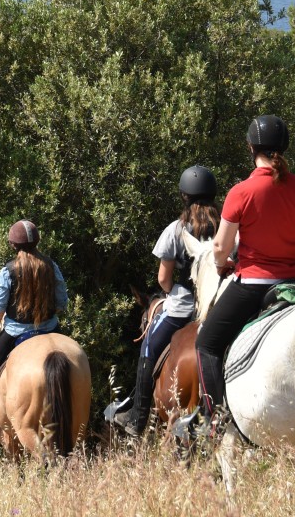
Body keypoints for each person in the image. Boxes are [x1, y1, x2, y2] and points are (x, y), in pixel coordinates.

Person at [195, 115, 295, 433]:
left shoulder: (241, 192)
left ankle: (219, 422)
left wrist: (222, 263)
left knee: (206, 344)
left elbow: (221, 248)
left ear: (251, 148)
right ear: (285, 147)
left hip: (254, 284)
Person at [111, 165, 220, 437]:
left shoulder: (176, 229)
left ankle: (137, 418)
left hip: (182, 307)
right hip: (218, 304)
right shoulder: (226, 228)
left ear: (184, 197)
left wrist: (173, 292)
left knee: (148, 348)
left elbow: (163, 278)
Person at [0, 219, 68, 446]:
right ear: (38, 241)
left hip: (16, 333)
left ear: (13, 245)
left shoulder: (8, 270)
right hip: (51, 329)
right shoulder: (50, 266)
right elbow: (62, 301)